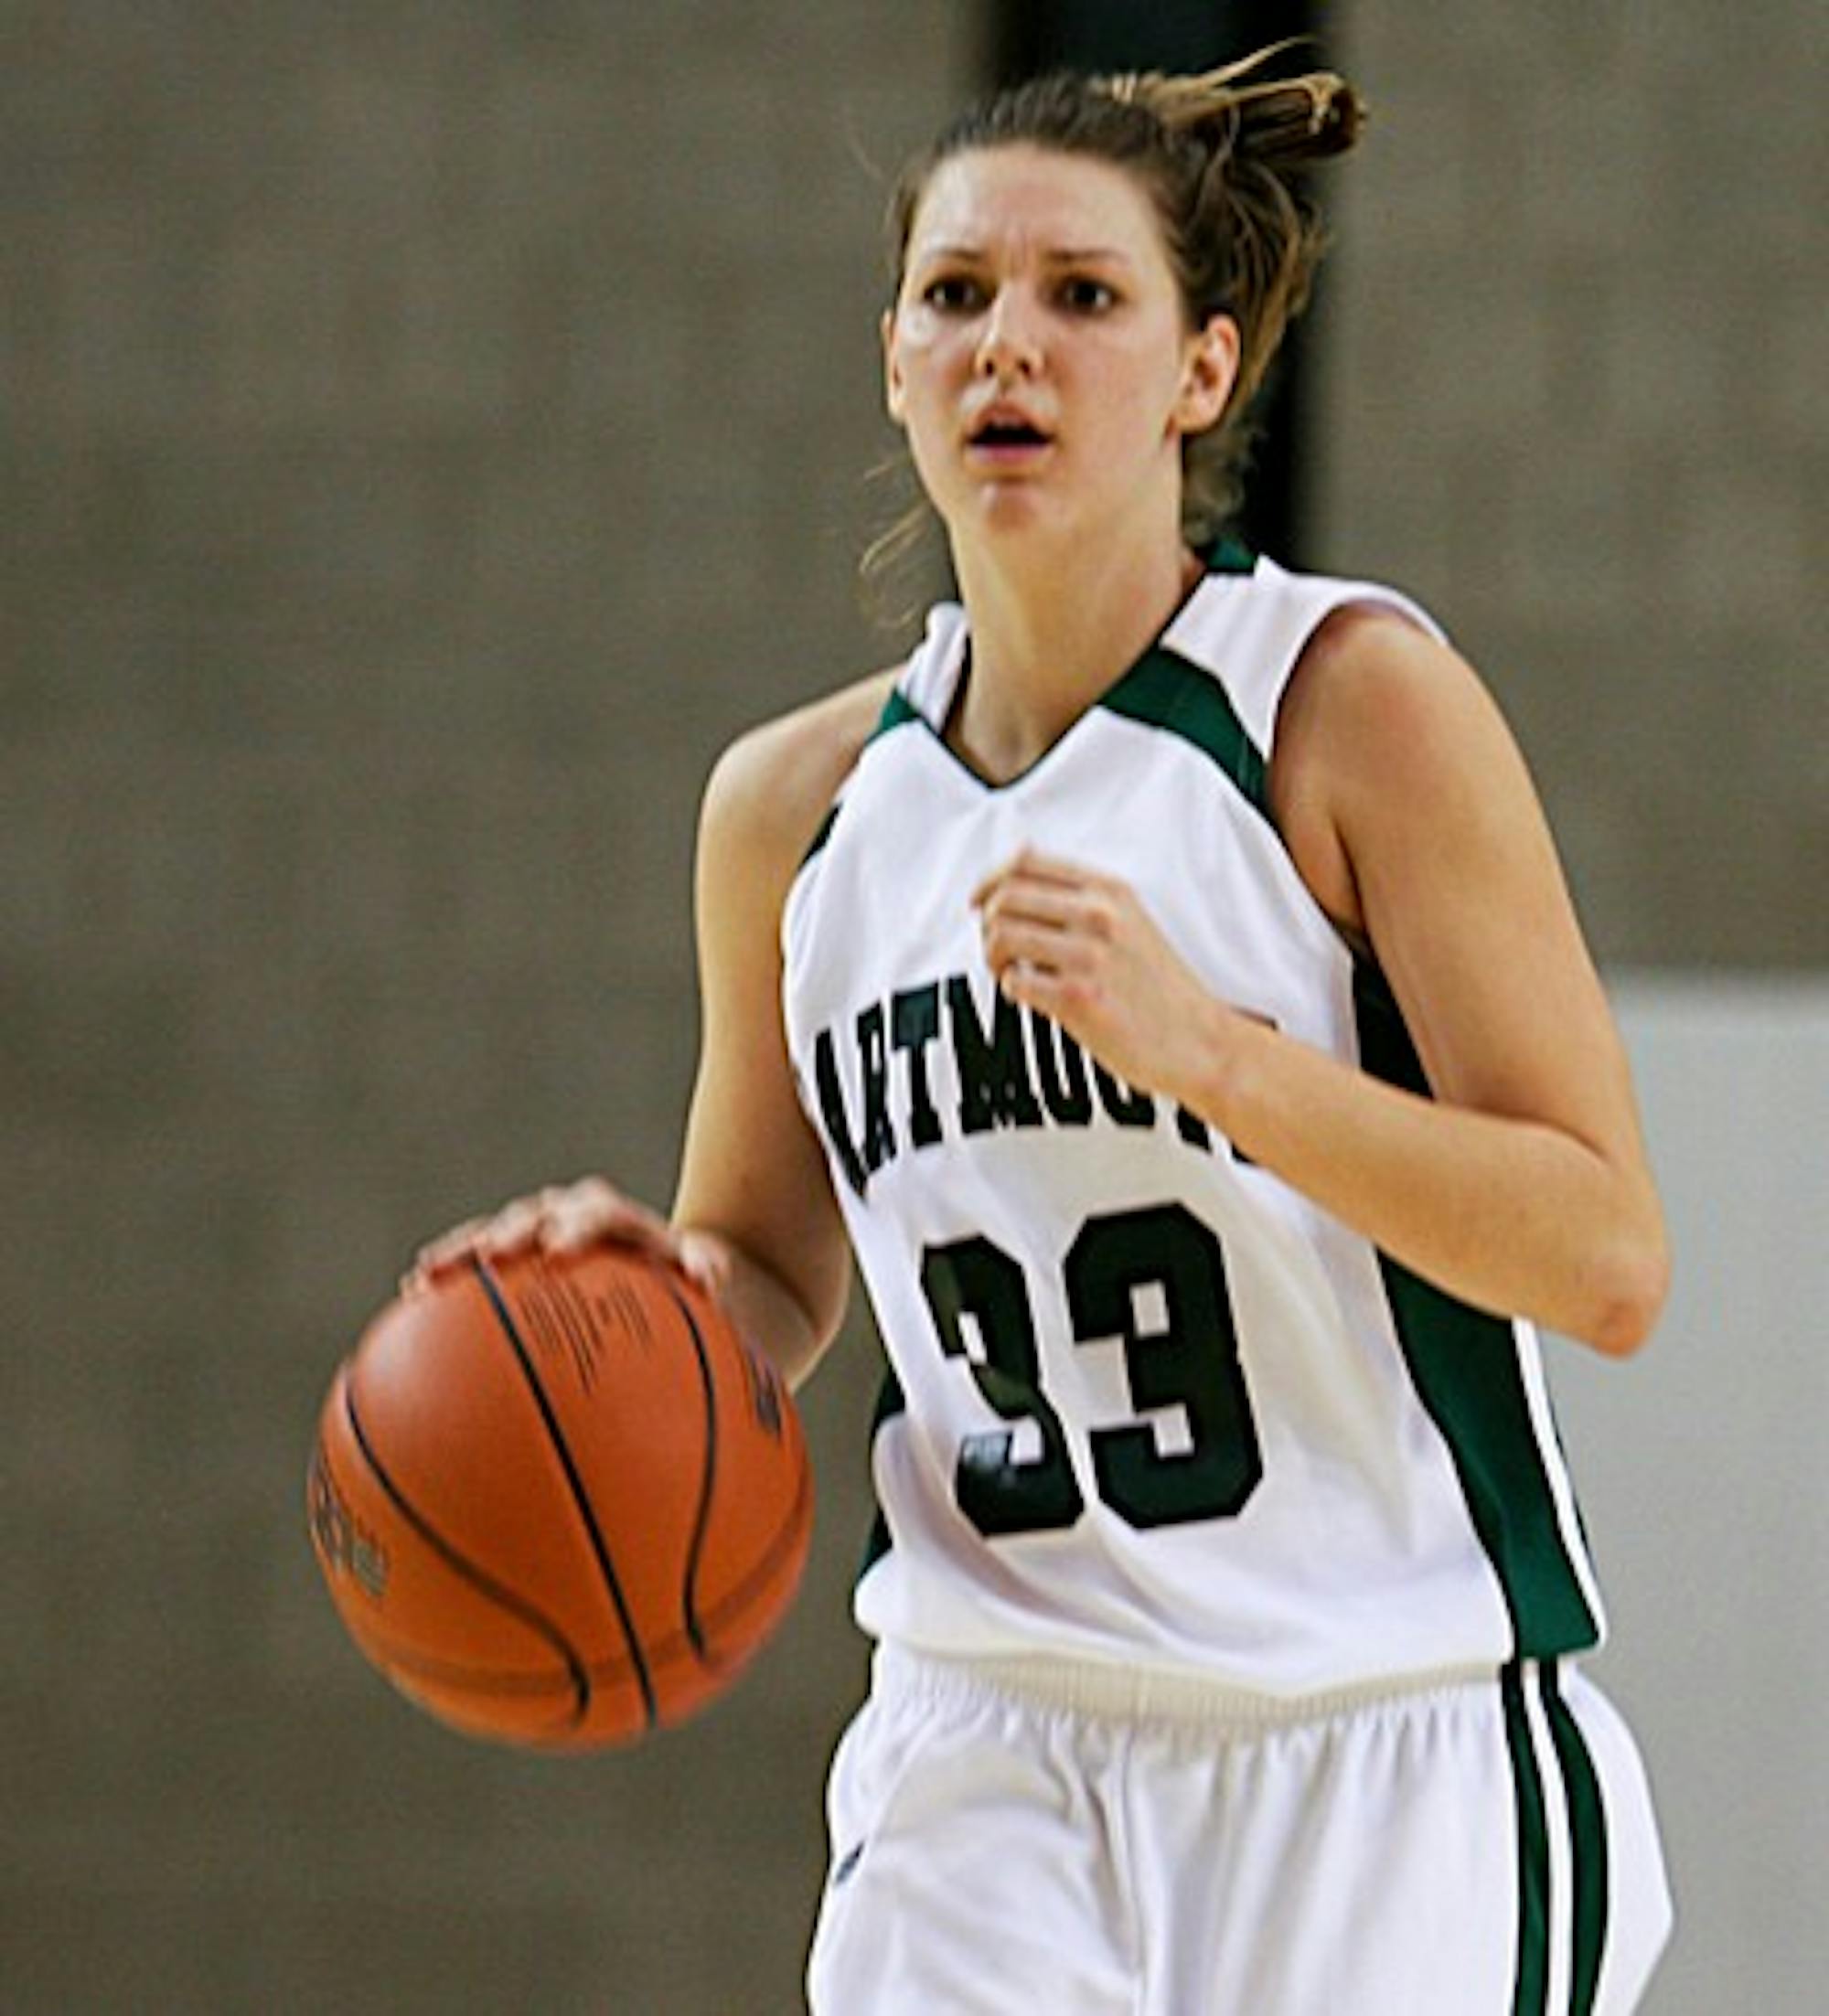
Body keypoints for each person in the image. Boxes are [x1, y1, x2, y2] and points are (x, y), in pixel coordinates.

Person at [411, 50, 1673, 2014]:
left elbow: (1601, 1256)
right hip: (983, 1738)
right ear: (893, 362)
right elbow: (767, 1271)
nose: (1011, 340)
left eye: (1084, 295)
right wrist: (634, 1306)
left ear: (1202, 371)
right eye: (956, 294)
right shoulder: (792, 814)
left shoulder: (1342, 707)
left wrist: (1224, 1056)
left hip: (1374, 1732)